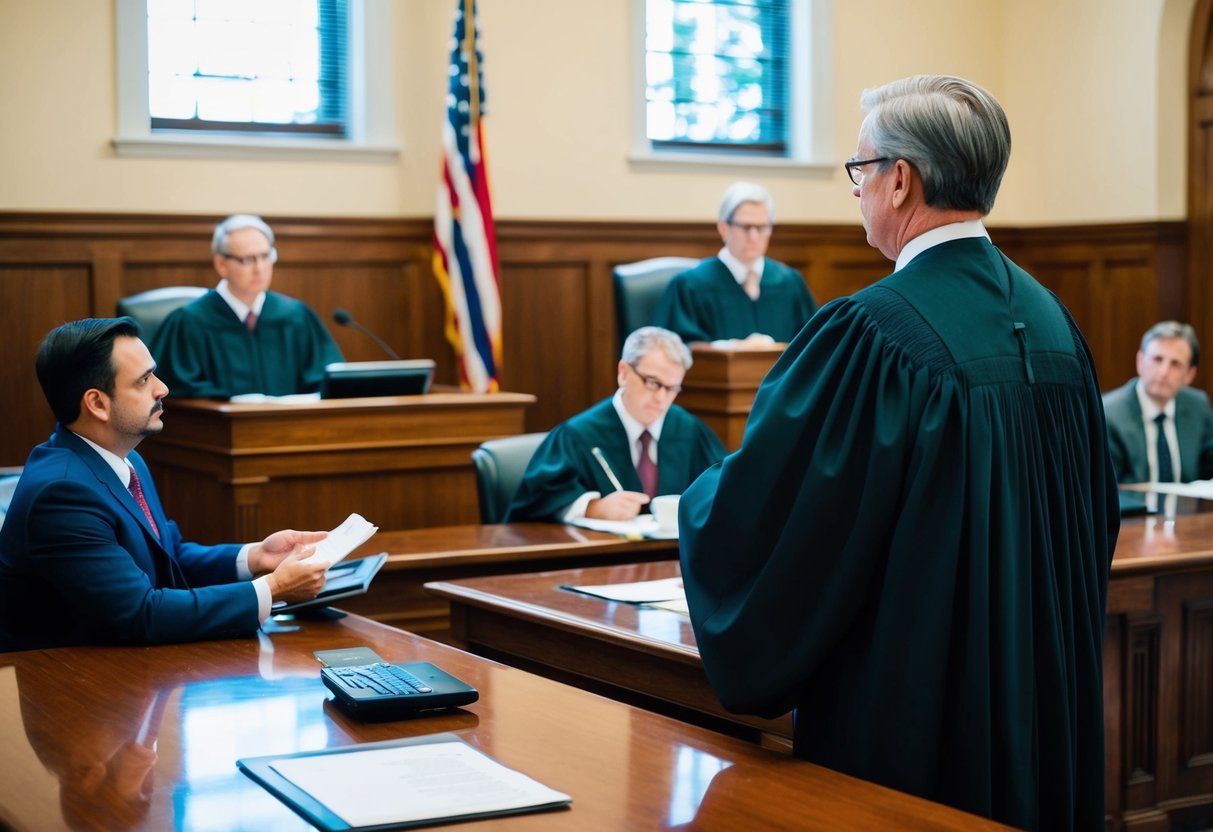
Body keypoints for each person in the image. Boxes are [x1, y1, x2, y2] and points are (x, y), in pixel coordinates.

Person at [678, 75, 1118, 830]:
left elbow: (777, 516)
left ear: (900, 179)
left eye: (859, 170)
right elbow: (1095, 517)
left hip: (916, 719)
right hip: (1041, 702)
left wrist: (695, 501)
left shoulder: (873, 334)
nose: (856, 191)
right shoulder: (1054, 324)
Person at [0, 318, 331, 652]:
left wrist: (256, 557)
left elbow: (168, 556)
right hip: (62, 682)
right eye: (144, 380)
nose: (162, 388)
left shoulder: (125, 459)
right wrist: (272, 588)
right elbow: (139, 613)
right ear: (97, 403)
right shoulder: (62, 493)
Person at [505, 326, 725, 522]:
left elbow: (723, 491)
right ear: (624, 373)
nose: (661, 398)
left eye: (672, 389)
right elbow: (534, 503)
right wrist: (592, 507)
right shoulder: (577, 435)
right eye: (652, 382)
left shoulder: (689, 430)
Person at [149, 214, 343, 399]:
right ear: (221, 264)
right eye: (247, 260)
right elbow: (178, 391)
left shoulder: (297, 316)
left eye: (266, 256)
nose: (260, 268)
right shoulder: (189, 323)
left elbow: (329, 381)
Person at [651, 181, 817, 345]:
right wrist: (731, 348)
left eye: (762, 227)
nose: (754, 236)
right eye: (745, 227)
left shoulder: (790, 283)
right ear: (723, 228)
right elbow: (676, 350)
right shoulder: (689, 286)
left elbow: (814, 344)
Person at [1102, 321, 1213, 493]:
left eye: (1175, 364)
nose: (1163, 372)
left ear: (1189, 375)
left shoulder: (1198, 406)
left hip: (1189, 516)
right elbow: (1107, 489)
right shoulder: (1108, 414)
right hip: (1133, 517)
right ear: (1140, 361)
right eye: (1157, 359)